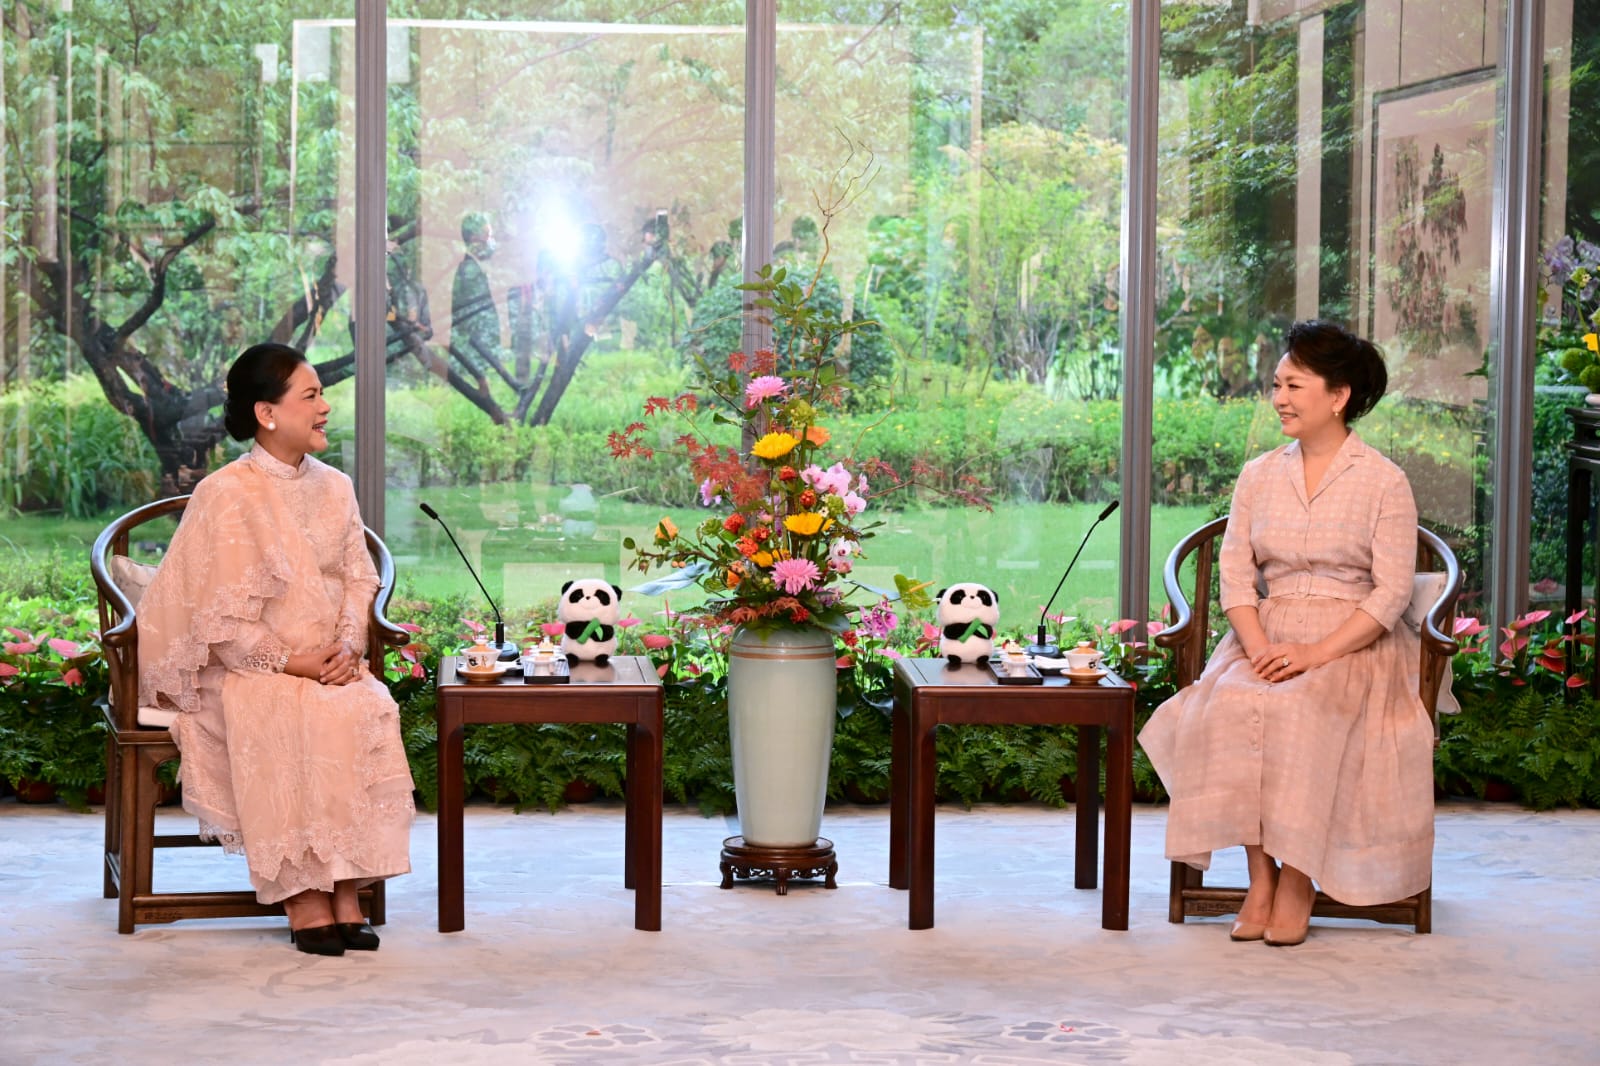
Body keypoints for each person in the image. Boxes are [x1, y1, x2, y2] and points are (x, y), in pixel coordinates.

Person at [1138, 320, 1432, 947]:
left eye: (1294, 384)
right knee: (1234, 703)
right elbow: (1237, 580)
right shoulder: (1259, 476)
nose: (1279, 398)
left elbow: (1390, 594)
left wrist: (1314, 653)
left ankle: (1299, 878)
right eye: (1276, 384)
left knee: (1300, 708)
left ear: (1338, 395)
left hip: (1352, 641)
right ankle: (1260, 877)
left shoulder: (1385, 482)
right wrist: (1262, 647)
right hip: (1264, 637)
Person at [136, 342, 415, 956]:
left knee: (362, 705)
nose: (325, 407)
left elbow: (358, 577)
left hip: (331, 660)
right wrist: (292, 662)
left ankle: (345, 885)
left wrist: (345, 647)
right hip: (248, 667)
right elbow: (220, 616)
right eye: (311, 396)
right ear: (267, 413)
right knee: (287, 709)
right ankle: (303, 893)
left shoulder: (336, 488)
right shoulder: (226, 494)